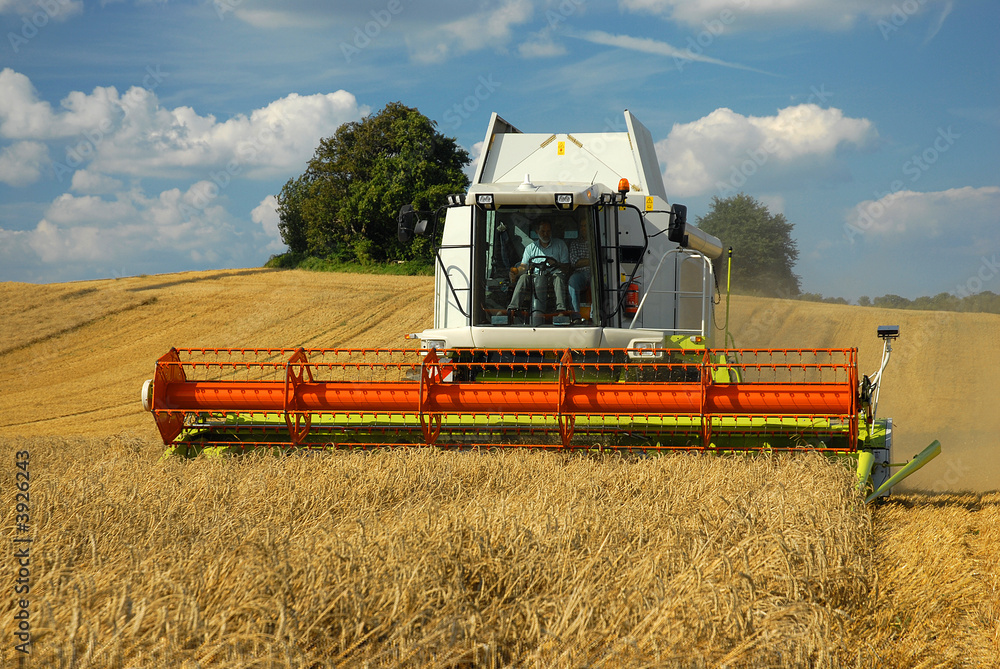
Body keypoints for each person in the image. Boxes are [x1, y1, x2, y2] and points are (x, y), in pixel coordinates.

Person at [507, 220, 569, 317]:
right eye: (542, 231)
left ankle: (560, 309)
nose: (545, 234)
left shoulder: (560, 245)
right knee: (523, 277)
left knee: (559, 277)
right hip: (534, 278)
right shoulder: (530, 248)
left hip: (552, 277)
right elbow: (524, 266)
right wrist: (516, 272)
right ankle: (513, 308)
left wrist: (557, 264)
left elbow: (567, 267)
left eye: (548, 231)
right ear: (537, 232)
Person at [567, 218, 591, 314]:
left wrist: (584, 261)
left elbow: (601, 260)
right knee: (572, 282)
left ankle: (595, 315)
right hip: (580, 274)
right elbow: (575, 263)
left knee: (600, 284)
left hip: (595, 273)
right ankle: (576, 314)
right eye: (581, 226)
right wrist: (592, 261)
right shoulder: (575, 243)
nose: (583, 228)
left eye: (585, 226)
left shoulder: (597, 242)